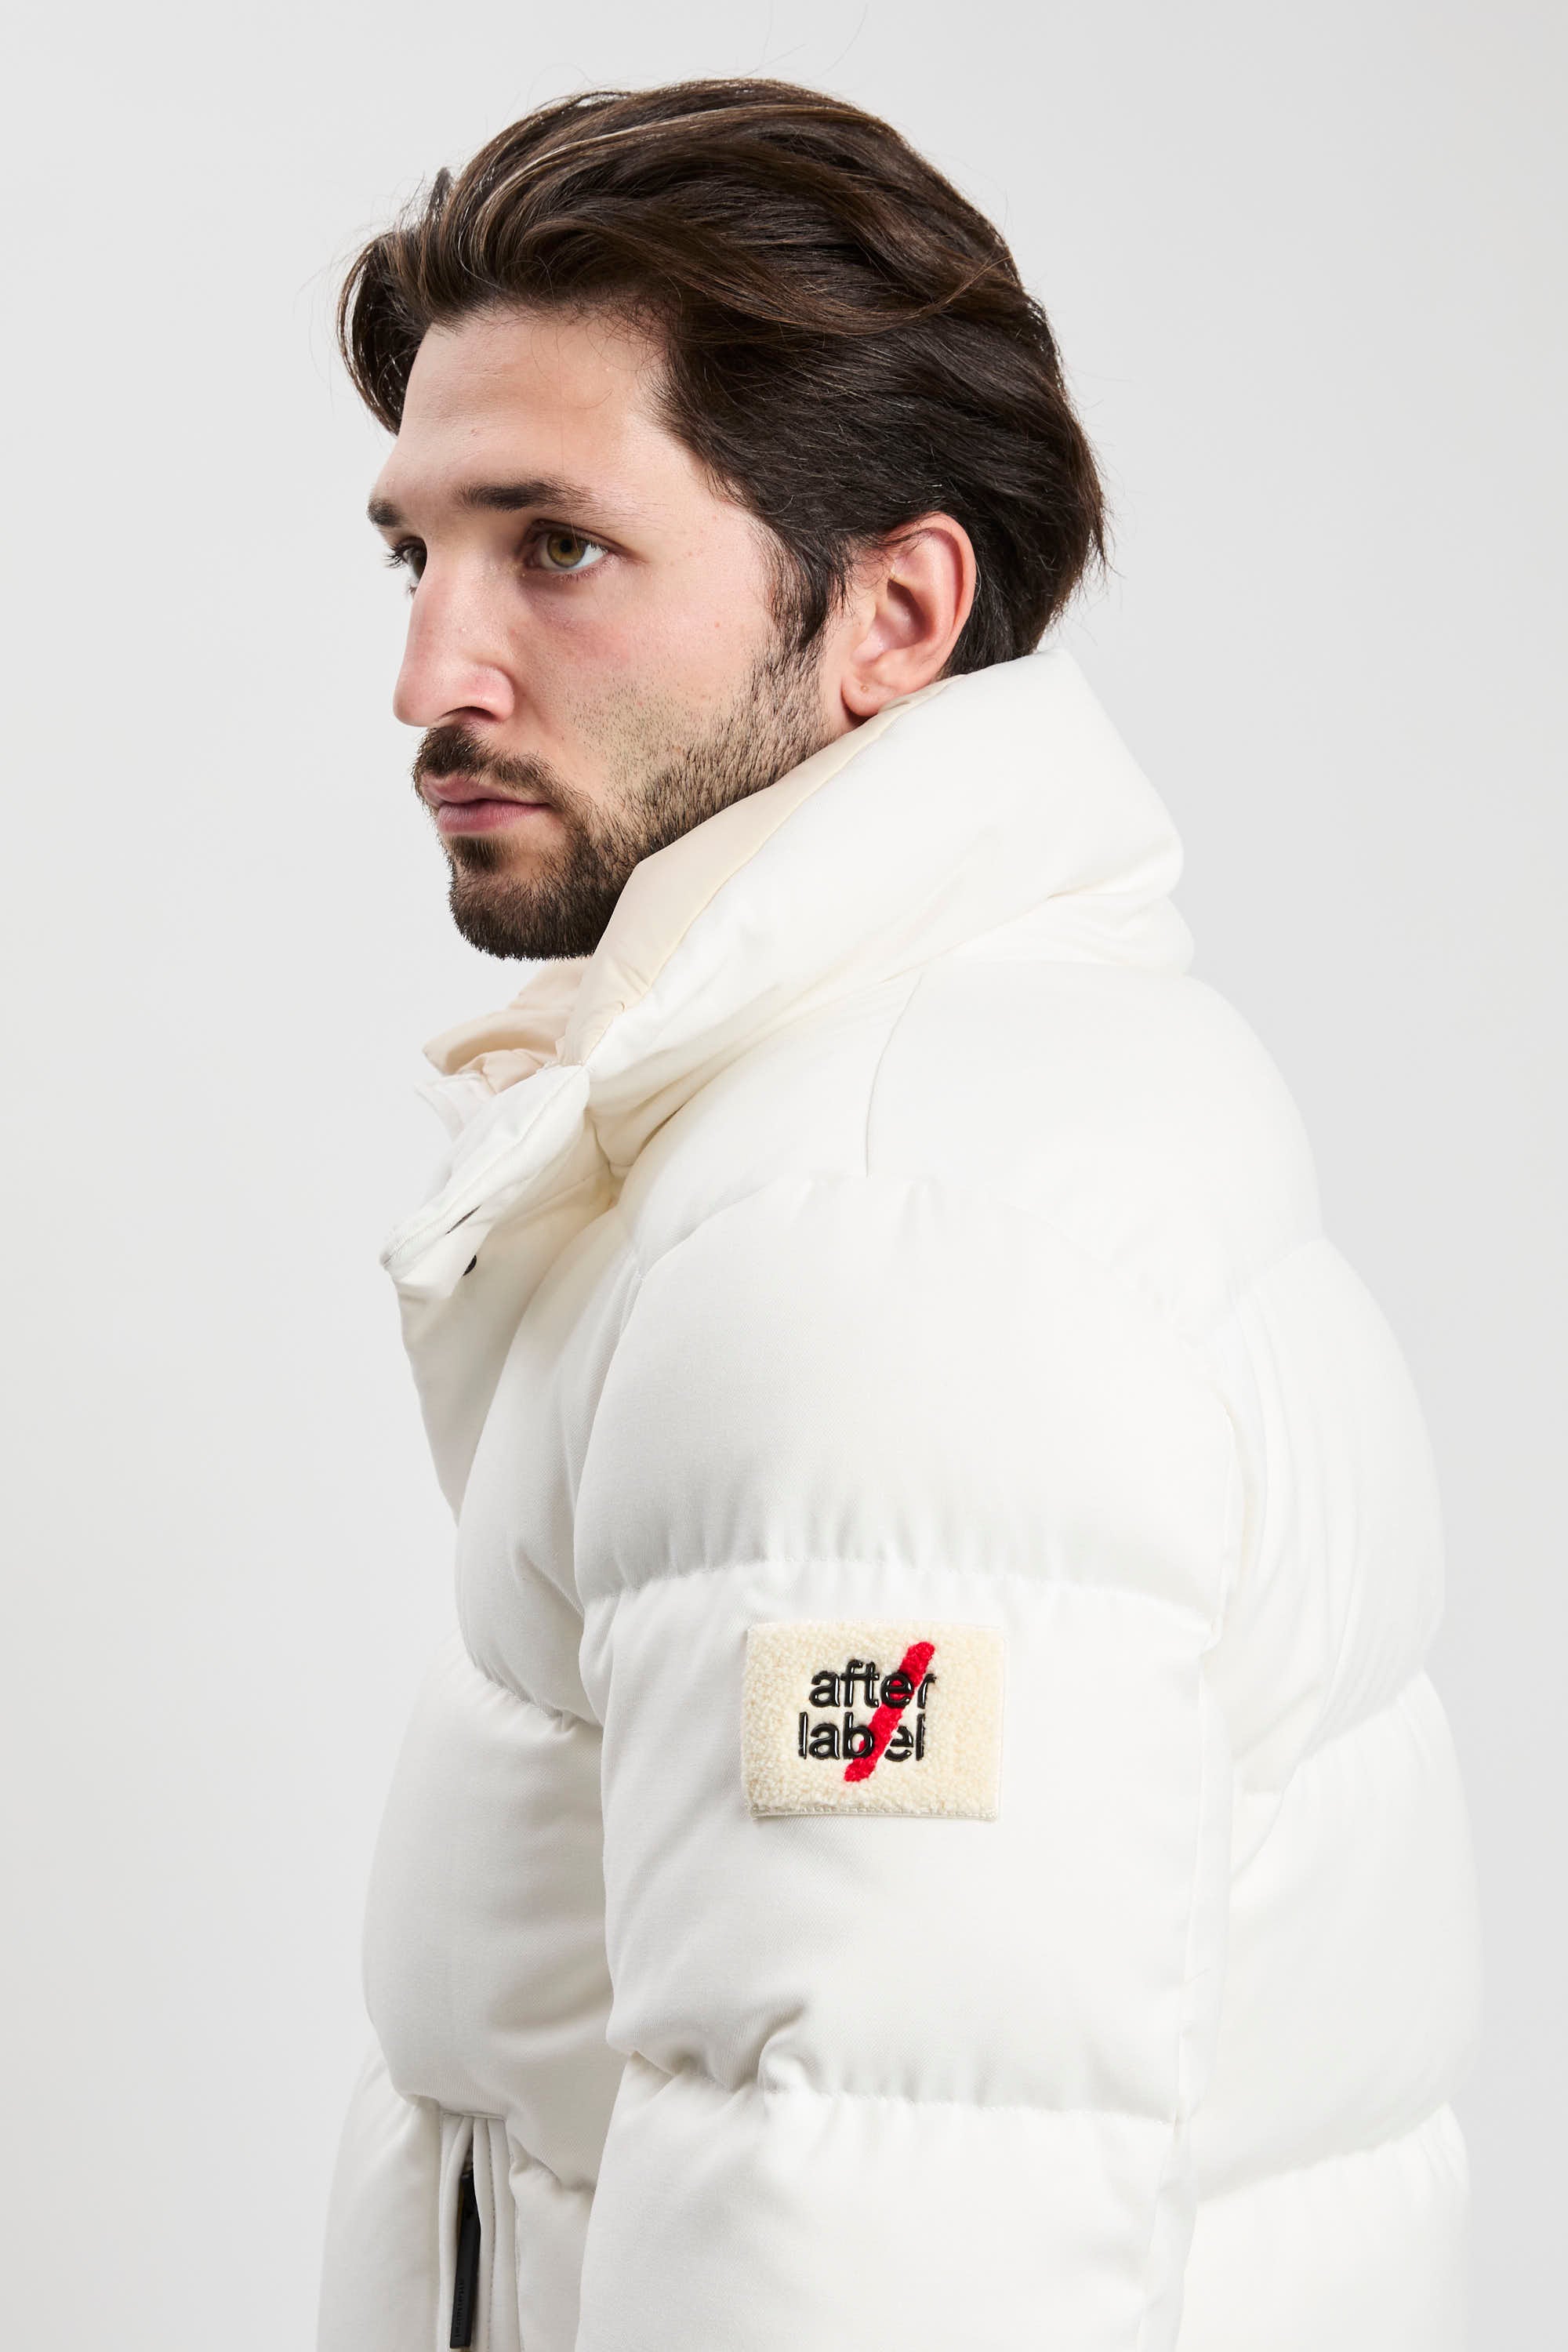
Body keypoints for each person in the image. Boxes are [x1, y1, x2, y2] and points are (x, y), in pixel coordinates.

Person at [316, 78, 1480, 2352]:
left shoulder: (876, 1249)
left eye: (555, 546)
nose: (431, 676)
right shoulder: (951, 1114)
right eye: (414, 552)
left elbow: (879, 2240)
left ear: (895, 611)